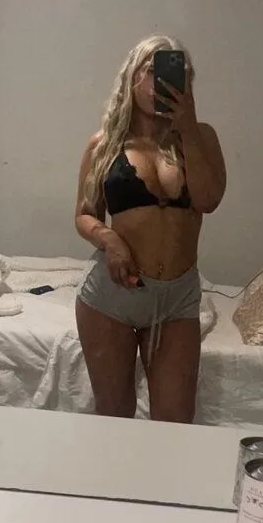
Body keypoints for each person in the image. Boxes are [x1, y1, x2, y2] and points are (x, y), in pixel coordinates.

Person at [74, 36, 226, 423]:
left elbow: (208, 200)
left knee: (175, 422)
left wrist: (187, 128)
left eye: (177, 72)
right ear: (132, 77)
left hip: (177, 299)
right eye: (151, 70)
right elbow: (85, 214)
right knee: (114, 415)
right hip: (112, 296)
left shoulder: (202, 137)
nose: (163, 80)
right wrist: (109, 239)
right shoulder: (104, 144)